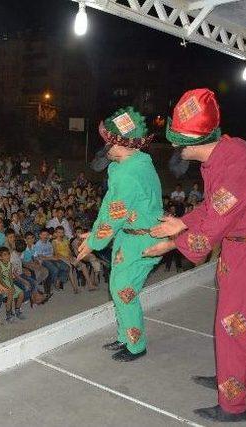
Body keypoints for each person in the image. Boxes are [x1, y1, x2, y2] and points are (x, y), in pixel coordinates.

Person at [145, 88, 246, 422]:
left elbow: (210, 229)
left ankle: (233, 408)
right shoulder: (224, 152)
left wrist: (169, 243)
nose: (176, 149)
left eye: (178, 142)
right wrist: (181, 222)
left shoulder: (235, 166)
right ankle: (230, 376)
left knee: (235, 326)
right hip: (244, 241)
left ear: (192, 143)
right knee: (228, 322)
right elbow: (215, 207)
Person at [76, 106, 163, 362]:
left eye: (107, 143)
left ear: (119, 144)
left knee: (124, 290)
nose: (104, 148)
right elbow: (108, 206)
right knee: (118, 289)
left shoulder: (130, 174)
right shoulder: (131, 162)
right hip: (128, 236)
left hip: (142, 239)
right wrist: (93, 233)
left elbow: (116, 213)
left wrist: (94, 242)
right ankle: (125, 336)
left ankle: (136, 346)